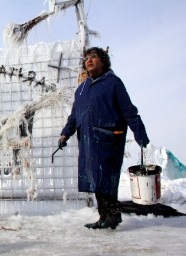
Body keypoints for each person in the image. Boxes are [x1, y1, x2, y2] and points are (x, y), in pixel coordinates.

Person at [58, 47, 150, 230]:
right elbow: (75, 115)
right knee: (95, 178)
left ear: (104, 61)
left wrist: (140, 133)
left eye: (94, 57)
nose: (89, 60)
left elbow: (129, 111)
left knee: (106, 177)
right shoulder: (81, 89)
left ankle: (112, 216)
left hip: (108, 138)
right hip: (87, 140)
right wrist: (65, 133)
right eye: (87, 58)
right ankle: (104, 217)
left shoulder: (113, 83)